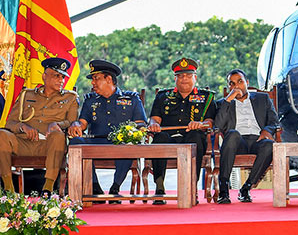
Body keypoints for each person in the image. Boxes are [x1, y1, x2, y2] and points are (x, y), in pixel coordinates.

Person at [67, 60, 147, 201]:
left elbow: (141, 123)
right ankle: (95, 185)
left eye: (96, 78)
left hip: (120, 143)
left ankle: (115, 188)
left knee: (129, 145)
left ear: (108, 79)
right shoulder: (90, 100)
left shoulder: (132, 99)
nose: (92, 83)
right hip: (96, 141)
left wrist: (132, 133)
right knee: (76, 141)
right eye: (92, 79)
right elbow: (82, 123)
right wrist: (75, 125)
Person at [0, 58, 78, 194]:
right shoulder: (26, 95)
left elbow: (72, 121)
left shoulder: (70, 98)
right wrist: (23, 127)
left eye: (63, 77)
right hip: (23, 143)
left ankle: (48, 189)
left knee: (58, 136)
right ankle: (9, 189)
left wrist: (56, 124)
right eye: (56, 76)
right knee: (2, 135)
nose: (61, 80)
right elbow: (10, 123)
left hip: (49, 145)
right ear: (44, 76)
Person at [148, 57, 215, 204]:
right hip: (168, 137)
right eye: (180, 76)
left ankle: (191, 187)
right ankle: (159, 188)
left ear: (195, 77)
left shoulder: (206, 97)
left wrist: (200, 124)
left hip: (191, 137)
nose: (184, 79)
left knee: (195, 137)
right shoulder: (163, 96)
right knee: (159, 138)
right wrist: (153, 125)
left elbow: (210, 122)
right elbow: (154, 119)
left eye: (188, 75)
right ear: (175, 79)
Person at [215, 69, 279, 203]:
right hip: (237, 143)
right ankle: (223, 188)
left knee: (270, 145)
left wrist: (267, 130)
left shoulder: (263, 99)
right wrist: (228, 100)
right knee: (232, 134)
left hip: (258, 140)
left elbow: (274, 121)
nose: (236, 86)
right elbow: (218, 126)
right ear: (228, 87)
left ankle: (246, 187)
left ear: (247, 83)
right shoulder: (223, 103)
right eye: (232, 84)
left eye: (240, 82)